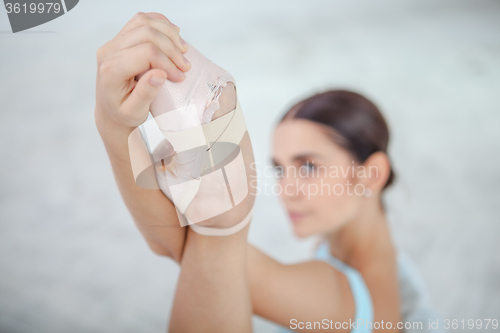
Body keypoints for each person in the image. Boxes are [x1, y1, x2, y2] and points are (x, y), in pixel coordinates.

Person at [95, 12, 445, 333]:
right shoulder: (361, 258)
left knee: (216, 241)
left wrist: (114, 126)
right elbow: (177, 245)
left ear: (371, 175)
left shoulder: (350, 302)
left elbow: (184, 248)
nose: (285, 189)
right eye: (279, 168)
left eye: (309, 166)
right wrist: (118, 127)